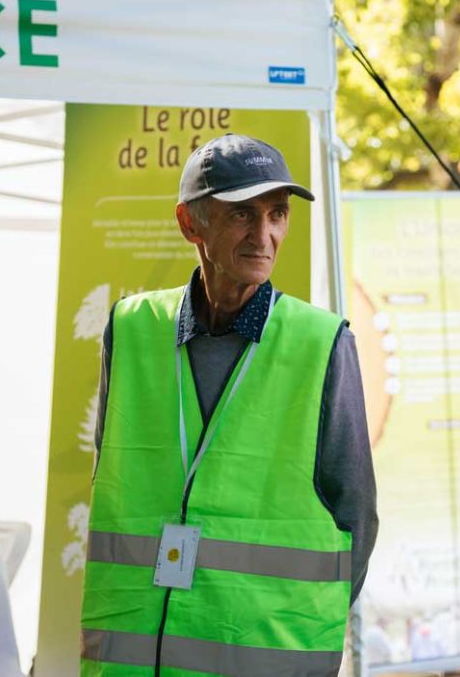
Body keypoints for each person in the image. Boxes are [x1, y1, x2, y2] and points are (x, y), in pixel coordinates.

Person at [80, 134, 378, 676]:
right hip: (135, 655)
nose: (264, 236)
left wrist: (299, 615)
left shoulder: (323, 342)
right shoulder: (129, 330)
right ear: (191, 224)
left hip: (265, 653)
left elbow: (355, 514)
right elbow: (108, 474)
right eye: (243, 214)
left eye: (277, 214)